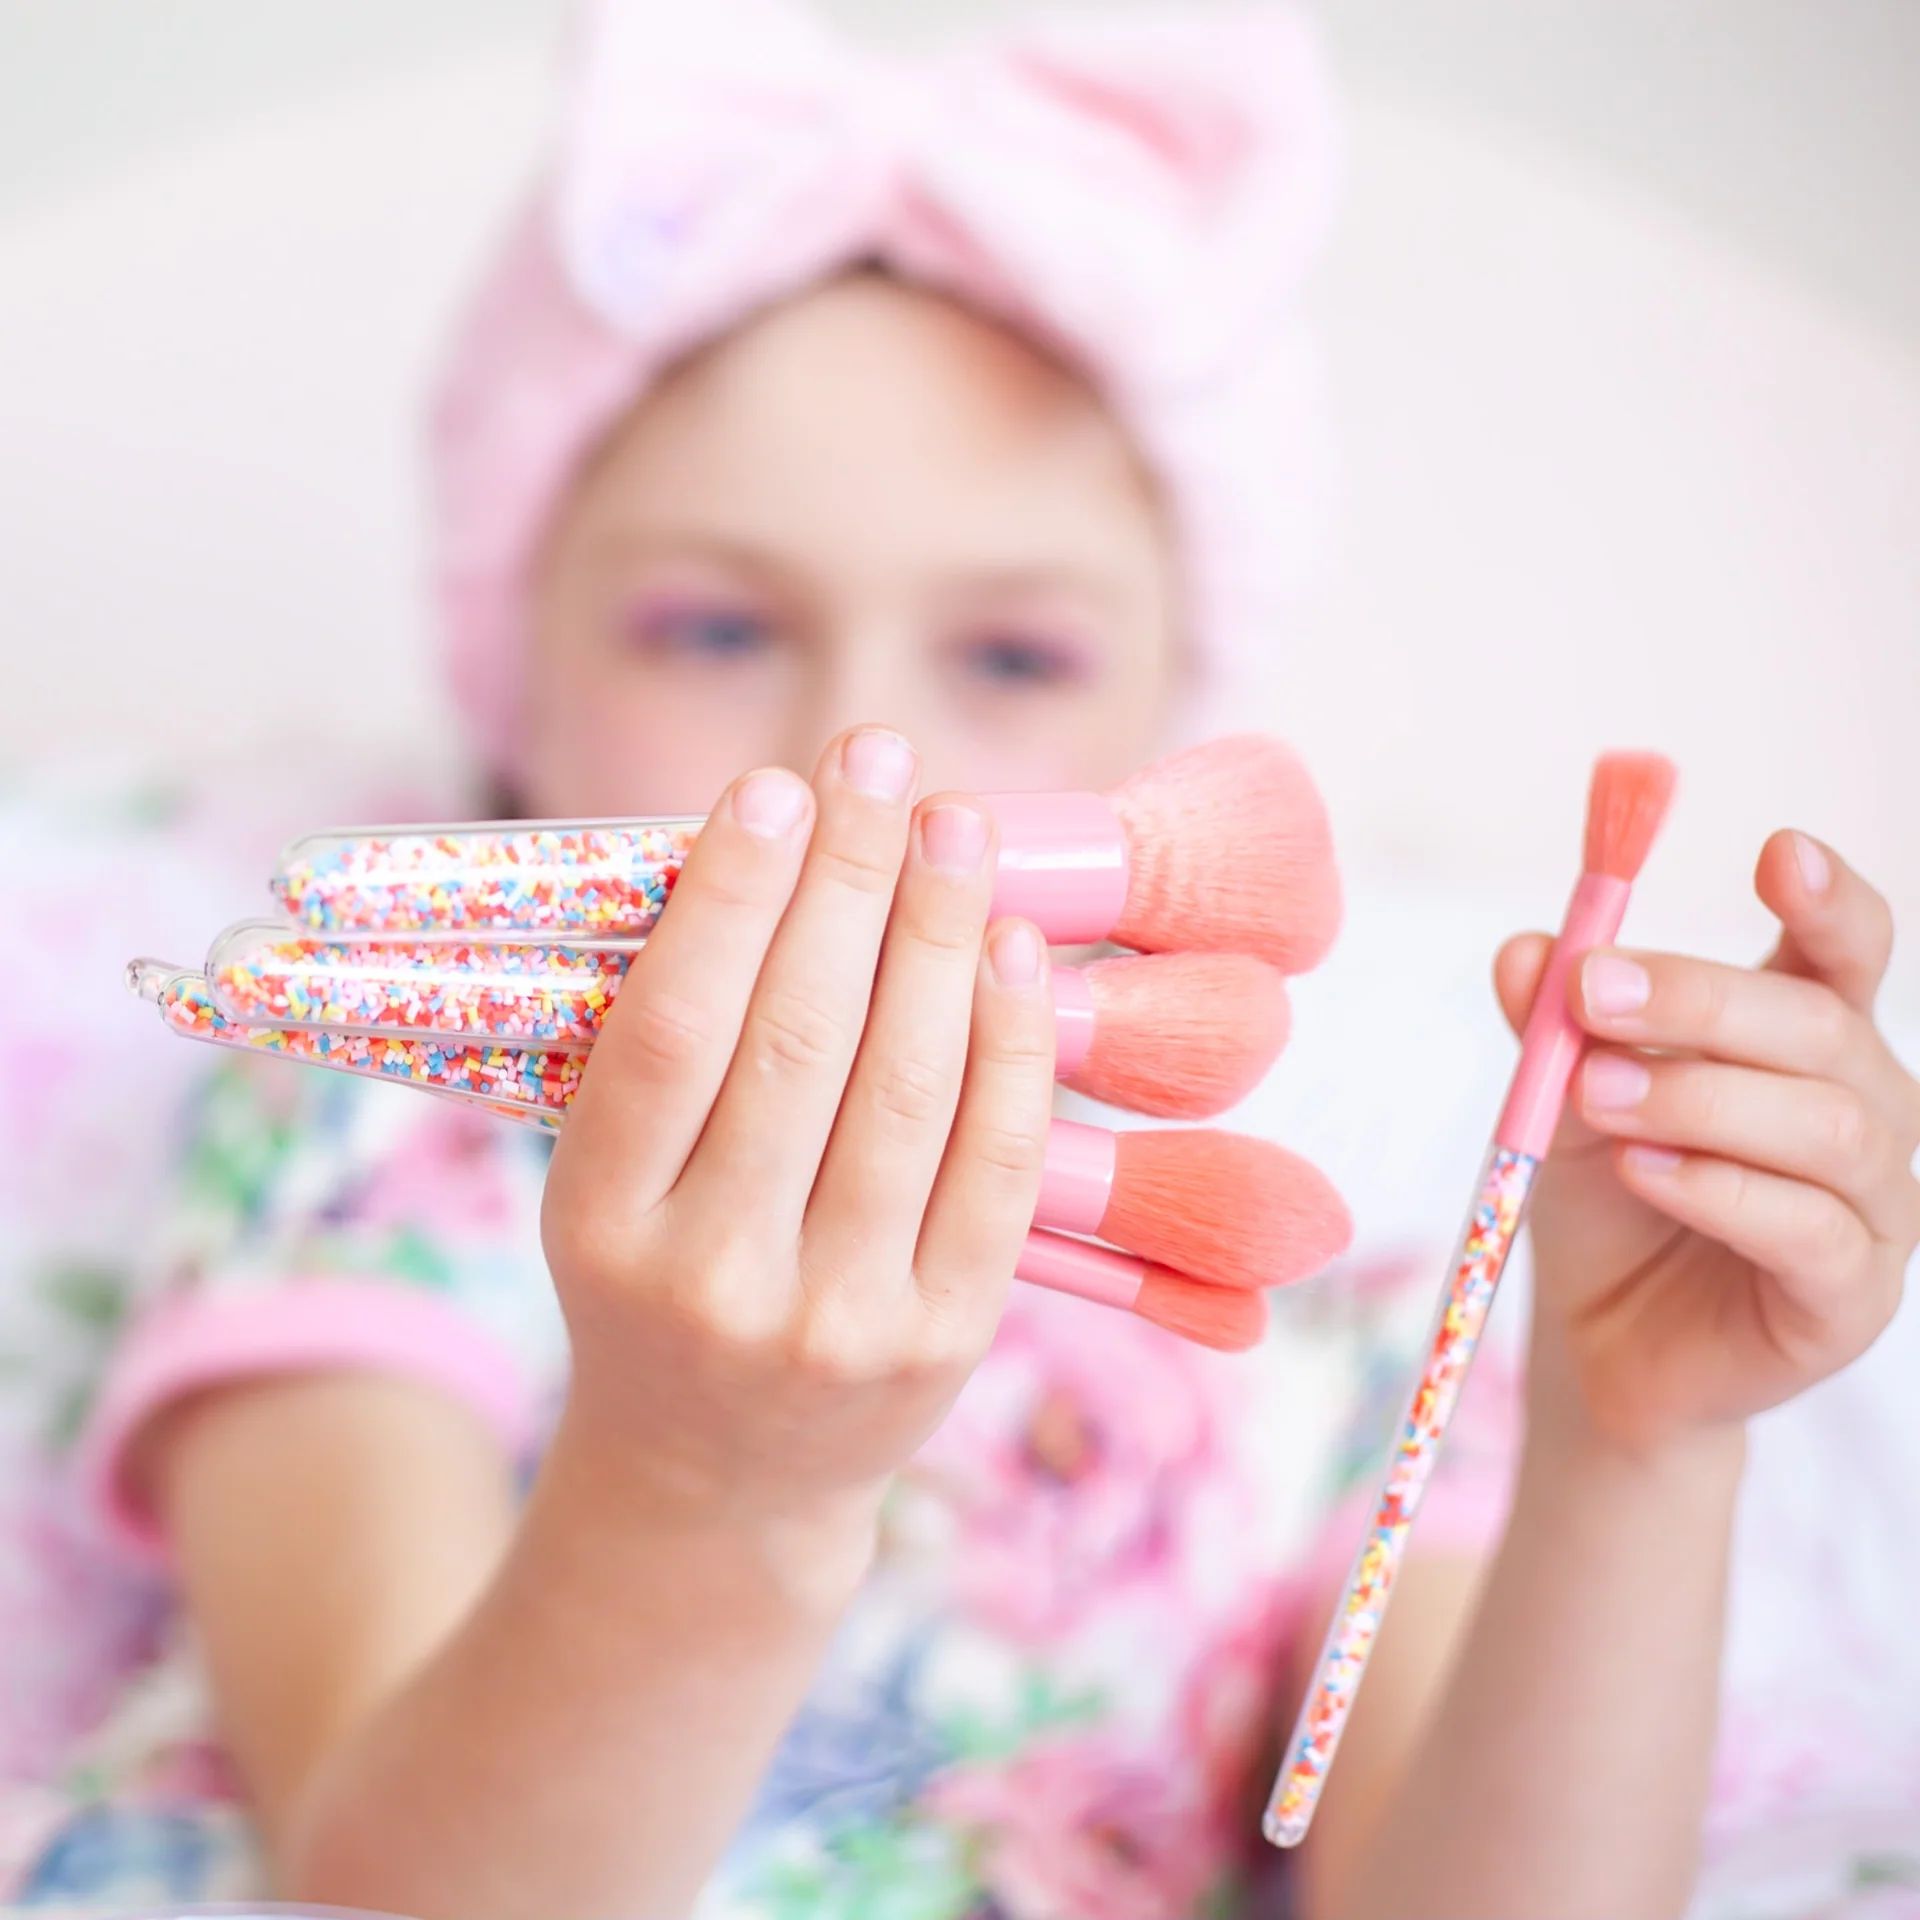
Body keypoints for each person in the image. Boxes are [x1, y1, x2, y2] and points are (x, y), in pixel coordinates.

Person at [6, 3, 1916, 1914]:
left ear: (1171, 732)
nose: (872, 753)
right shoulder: (373, 1102)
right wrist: (709, 1486)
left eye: (1011, 655)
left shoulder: (1321, 1337)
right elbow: (385, 1889)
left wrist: (1637, 1451)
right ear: (519, 694)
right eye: (710, 628)